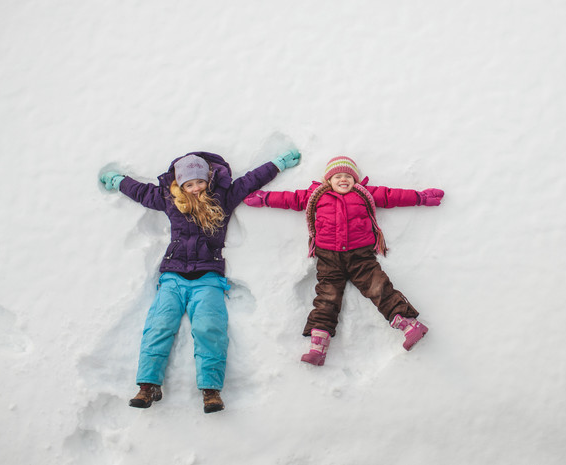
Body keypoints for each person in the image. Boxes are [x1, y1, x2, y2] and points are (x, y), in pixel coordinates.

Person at [99, 149, 300, 412]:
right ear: (180, 183)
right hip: (172, 276)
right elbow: (142, 192)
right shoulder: (169, 198)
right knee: (159, 326)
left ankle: (211, 390)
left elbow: (251, 180)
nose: (195, 188)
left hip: (209, 277)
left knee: (210, 329)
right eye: (189, 184)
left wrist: (278, 163)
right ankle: (147, 386)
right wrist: (118, 181)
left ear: (209, 178)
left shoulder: (223, 197)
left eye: (200, 182)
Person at [244, 156, 443, 366]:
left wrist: (420, 197)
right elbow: (289, 199)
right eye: (337, 176)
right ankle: (318, 346)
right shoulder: (315, 195)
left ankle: (410, 326)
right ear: (328, 180)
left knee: (379, 288)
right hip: (328, 259)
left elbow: (392, 196)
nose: (343, 179)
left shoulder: (364, 193)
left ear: (355, 179)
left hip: (360, 257)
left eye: (348, 176)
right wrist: (264, 198)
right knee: (327, 298)